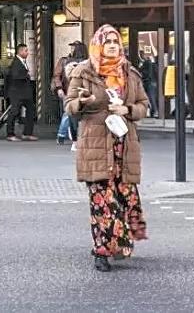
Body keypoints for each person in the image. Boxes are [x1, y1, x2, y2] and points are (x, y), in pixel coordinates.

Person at [64, 24, 150, 272]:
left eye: (115, 41)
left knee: (124, 198)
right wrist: (82, 101)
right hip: (96, 142)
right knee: (102, 201)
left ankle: (120, 243)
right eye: (107, 41)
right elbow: (69, 105)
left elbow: (144, 104)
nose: (112, 45)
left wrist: (127, 110)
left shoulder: (129, 72)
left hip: (124, 143)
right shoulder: (84, 71)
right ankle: (101, 251)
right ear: (98, 44)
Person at [54, 41, 87, 149]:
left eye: (74, 48)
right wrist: (59, 88)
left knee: (70, 114)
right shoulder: (64, 61)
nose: (72, 50)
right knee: (68, 113)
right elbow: (57, 75)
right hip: (69, 91)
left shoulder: (86, 62)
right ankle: (63, 135)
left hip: (80, 91)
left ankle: (66, 135)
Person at [5, 44, 36, 141]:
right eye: (26, 51)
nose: (27, 53)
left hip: (25, 92)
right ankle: (10, 134)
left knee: (31, 110)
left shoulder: (23, 62)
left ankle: (27, 133)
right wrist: (27, 75)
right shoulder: (16, 62)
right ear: (20, 51)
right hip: (16, 92)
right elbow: (15, 76)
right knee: (14, 112)